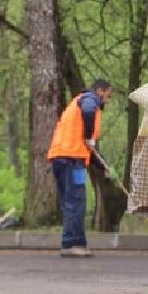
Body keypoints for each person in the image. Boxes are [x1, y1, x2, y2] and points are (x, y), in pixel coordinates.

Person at [46, 79, 113, 258]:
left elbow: (90, 149)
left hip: (62, 158)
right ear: (100, 91)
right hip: (72, 160)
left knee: (72, 201)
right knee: (76, 201)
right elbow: (89, 113)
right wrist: (88, 135)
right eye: (108, 95)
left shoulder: (79, 103)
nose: (109, 99)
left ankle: (78, 242)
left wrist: (104, 166)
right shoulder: (89, 99)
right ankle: (71, 243)